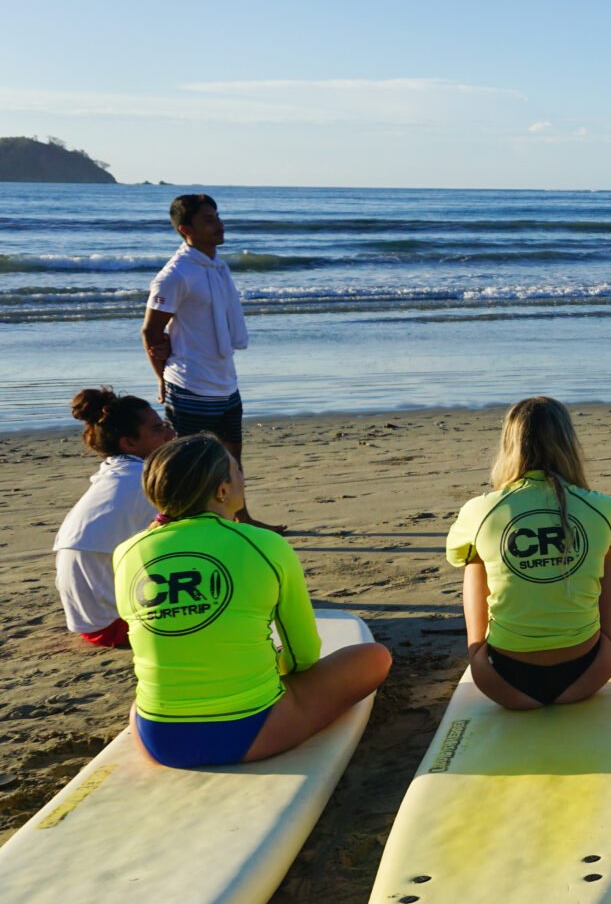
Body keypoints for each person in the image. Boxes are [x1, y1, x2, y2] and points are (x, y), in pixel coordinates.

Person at [115, 434, 389, 768]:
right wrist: (273, 668)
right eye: (237, 472)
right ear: (221, 490)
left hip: (158, 739)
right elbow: (303, 655)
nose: (244, 480)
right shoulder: (265, 544)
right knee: (374, 658)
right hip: (250, 732)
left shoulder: (125, 553)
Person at [447, 397, 611, 710]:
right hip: (589, 671)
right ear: (568, 444)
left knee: (474, 555)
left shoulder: (480, 509)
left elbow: (456, 554)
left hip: (500, 678)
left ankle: (476, 652)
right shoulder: (603, 507)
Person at [141, 193, 280, 529]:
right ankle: (182, 526)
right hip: (190, 383)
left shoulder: (217, 267)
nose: (218, 225)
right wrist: (161, 379)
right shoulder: (175, 275)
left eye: (217, 217)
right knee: (188, 465)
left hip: (225, 380)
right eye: (208, 220)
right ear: (186, 229)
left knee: (232, 458)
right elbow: (150, 332)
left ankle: (242, 518)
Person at [53, 387, 174, 647]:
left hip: (93, 618)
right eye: (157, 429)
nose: (169, 433)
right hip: (114, 624)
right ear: (129, 443)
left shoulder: (114, 474)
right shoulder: (144, 482)